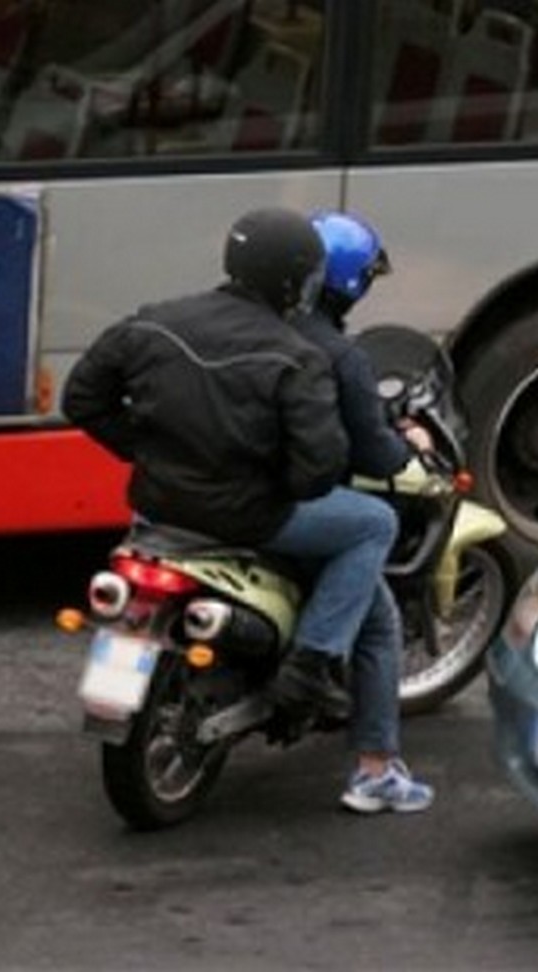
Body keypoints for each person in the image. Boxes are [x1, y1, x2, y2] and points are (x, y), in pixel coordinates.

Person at [60, 208, 407, 796]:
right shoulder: (299, 357)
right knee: (374, 522)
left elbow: (82, 399)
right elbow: (318, 471)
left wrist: (146, 451)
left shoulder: (154, 321)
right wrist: (272, 480)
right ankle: (312, 662)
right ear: (296, 281)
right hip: (250, 517)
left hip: (158, 507)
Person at [294, 209, 434, 814]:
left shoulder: (250, 327)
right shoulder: (339, 354)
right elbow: (374, 450)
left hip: (199, 501)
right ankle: (375, 769)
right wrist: (408, 444)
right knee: (378, 615)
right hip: (281, 506)